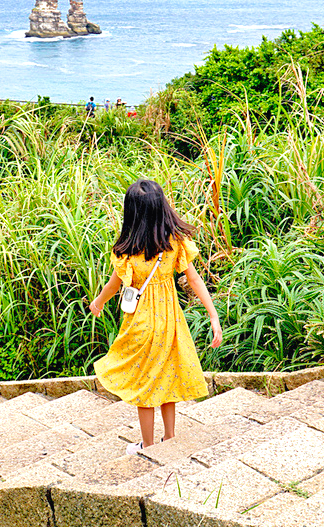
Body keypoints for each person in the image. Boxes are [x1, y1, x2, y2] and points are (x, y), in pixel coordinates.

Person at [88, 178, 222, 454]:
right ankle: (170, 438)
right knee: (168, 376)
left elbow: (115, 285)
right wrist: (213, 315)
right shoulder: (174, 244)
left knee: (144, 384)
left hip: (141, 325)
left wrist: (98, 302)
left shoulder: (127, 252)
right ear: (162, 209)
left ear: (132, 213)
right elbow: (195, 280)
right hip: (170, 323)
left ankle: (148, 445)